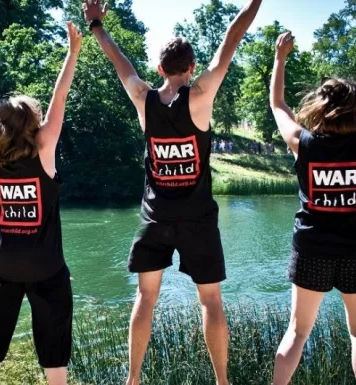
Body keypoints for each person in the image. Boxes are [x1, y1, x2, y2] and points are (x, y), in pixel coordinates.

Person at [82, 1, 263, 384]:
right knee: (210, 301)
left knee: (145, 299)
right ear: (191, 68)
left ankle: (132, 380)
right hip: (197, 219)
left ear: (160, 69)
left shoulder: (142, 99)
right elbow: (232, 38)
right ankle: (222, 381)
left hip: (156, 218)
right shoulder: (200, 96)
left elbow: (120, 62)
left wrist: (97, 25)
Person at [0, 22, 82, 385]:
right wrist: (73, 52)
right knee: (54, 356)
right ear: (34, 121)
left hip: (6, 270)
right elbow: (59, 97)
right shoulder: (44, 150)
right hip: (47, 270)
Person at [270, 31, 356, 385]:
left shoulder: (302, 144)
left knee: (297, 332)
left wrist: (280, 58)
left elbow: (278, 105)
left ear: (319, 105)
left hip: (311, 249)